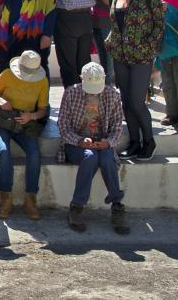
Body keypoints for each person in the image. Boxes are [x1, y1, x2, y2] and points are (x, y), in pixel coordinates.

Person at [106, 0, 164, 161]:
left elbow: (159, 25)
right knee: (126, 102)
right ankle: (134, 143)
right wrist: (110, 40)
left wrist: (149, 47)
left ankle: (149, 141)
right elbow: (115, 25)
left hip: (141, 57)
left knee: (137, 101)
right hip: (120, 56)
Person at [58, 62, 129, 234]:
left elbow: (117, 127)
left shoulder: (112, 94)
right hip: (76, 143)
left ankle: (117, 204)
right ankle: (77, 206)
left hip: (103, 142)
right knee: (89, 157)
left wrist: (109, 142)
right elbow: (63, 125)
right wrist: (79, 140)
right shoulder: (71, 93)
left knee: (106, 159)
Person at [0, 50, 49, 219]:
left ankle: (31, 199)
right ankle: (6, 198)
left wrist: (32, 116)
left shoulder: (42, 81)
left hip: (26, 122)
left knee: (35, 153)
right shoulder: (7, 74)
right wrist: (0, 100)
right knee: (4, 151)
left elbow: (43, 110)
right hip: (4, 121)